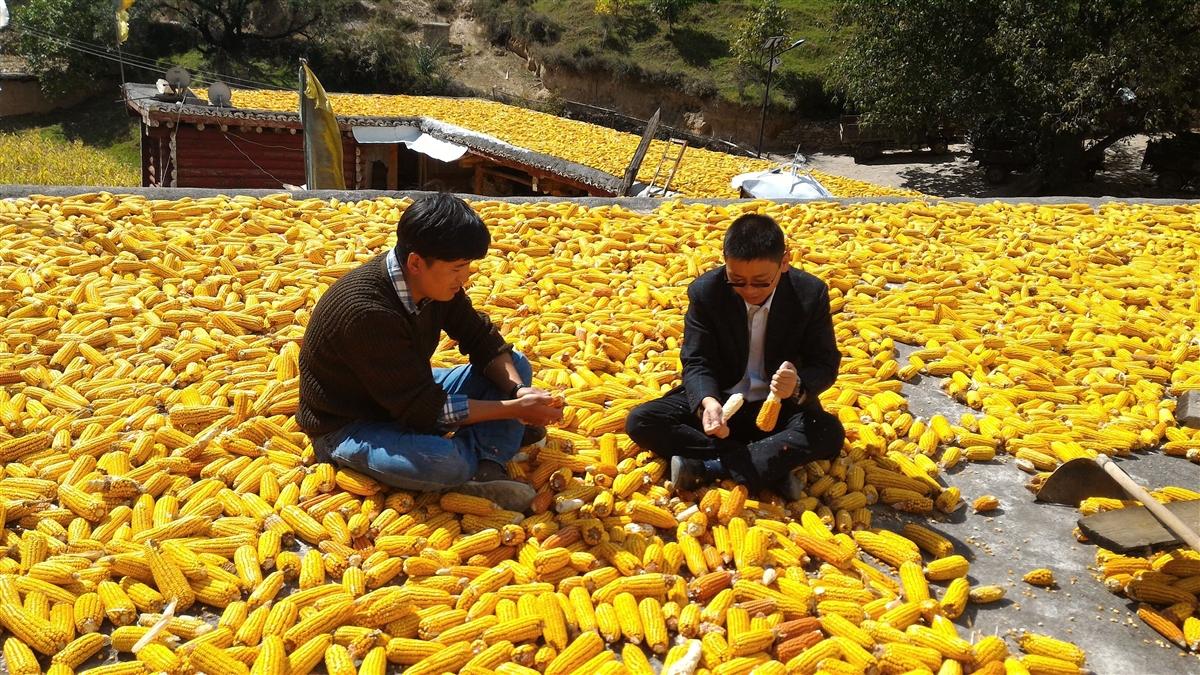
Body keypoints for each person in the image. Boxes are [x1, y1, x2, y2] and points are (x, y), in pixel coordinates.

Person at [297, 193, 563, 511]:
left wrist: (518, 391)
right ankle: (478, 454)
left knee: (515, 365)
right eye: (457, 269)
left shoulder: (433, 285)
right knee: (442, 462)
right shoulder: (367, 312)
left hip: (405, 391)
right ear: (416, 263)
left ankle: (485, 462)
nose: (465, 278)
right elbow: (425, 409)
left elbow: (481, 338)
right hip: (350, 422)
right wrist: (513, 410)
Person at [625, 213, 844, 499]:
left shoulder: (809, 294)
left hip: (778, 410)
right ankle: (767, 467)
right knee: (642, 421)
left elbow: (826, 363)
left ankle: (711, 467)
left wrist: (798, 385)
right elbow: (696, 359)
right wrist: (708, 402)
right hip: (725, 404)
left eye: (761, 282)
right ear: (725, 261)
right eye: (737, 281)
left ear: (785, 262)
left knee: (828, 433)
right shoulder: (706, 292)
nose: (749, 291)